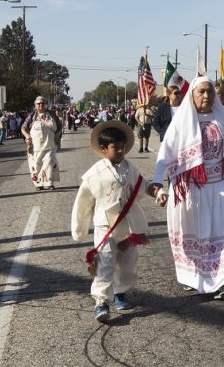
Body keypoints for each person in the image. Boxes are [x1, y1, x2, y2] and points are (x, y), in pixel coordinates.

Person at [149, 76, 224, 300]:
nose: (207, 96)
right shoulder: (181, 122)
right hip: (191, 190)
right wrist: (157, 182)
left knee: (223, 232)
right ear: (192, 95)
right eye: (201, 92)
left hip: (217, 187)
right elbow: (165, 155)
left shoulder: (221, 119)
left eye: (210, 92)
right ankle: (195, 278)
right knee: (195, 235)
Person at [71, 120, 166, 322]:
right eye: (116, 147)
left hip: (128, 227)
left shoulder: (130, 168)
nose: (121, 150)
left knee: (127, 264)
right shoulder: (94, 174)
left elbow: (143, 185)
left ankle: (121, 293)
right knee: (105, 264)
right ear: (104, 149)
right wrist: (79, 228)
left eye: (123, 146)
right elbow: (83, 202)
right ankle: (102, 302)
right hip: (105, 227)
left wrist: (158, 193)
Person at [21, 96, 62, 191]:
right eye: (38, 103)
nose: (41, 105)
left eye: (43, 103)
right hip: (36, 145)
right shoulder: (31, 116)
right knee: (36, 164)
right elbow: (23, 128)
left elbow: (59, 126)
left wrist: (57, 135)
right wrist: (28, 136)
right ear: (35, 105)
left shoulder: (52, 115)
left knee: (50, 162)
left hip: (50, 143)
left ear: (46, 104)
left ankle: (49, 183)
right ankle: (39, 184)